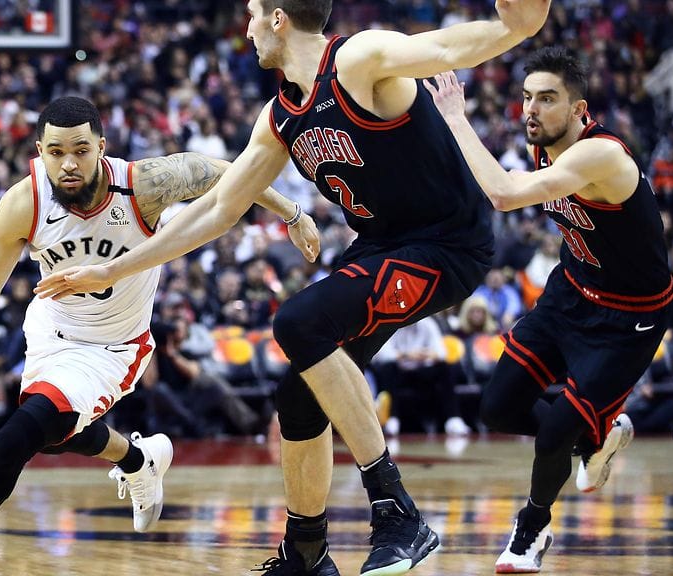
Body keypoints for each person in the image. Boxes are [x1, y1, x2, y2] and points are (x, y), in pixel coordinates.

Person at [36, 2, 551, 574]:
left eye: (254, 13)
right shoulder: (281, 115)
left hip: (448, 244)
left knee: (299, 321)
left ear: (278, 18)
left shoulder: (356, 60)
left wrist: (520, 26)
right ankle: (306, 554)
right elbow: (216, 209)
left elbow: (451, 50)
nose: (247, 26)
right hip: (384, 246)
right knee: (297, 395)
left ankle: (398, 513)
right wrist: (115, 268)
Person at [0, 96, 319, 576]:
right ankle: (137, 457)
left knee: (20, 438)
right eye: (56, 151)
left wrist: (291, 213)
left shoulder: (141, 185)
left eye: (81, 150)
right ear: (40, 151)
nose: (68, 163)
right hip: (51, 329)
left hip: (112, 347)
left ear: (101, 147)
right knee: (53, 433)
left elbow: (222, 172)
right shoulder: (24, 202)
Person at [425, 46, 673, 572]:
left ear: (580, 110)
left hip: (627, 317)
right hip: (571, 293)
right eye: (527, 98)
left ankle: (532, 529)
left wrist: (453, 117)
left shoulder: (598, 155)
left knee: (557, 428)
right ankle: (596, 438)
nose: (531, 109)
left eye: (547, 99)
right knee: (497, 408)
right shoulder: (545, 142)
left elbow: (505, 194)